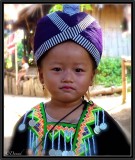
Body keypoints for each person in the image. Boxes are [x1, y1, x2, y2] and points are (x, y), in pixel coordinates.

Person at [8, 4, 130, 156]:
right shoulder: (29, 123)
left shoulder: (103, 124)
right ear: (41, 75)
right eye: (57, 69)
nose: (67, 78)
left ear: (91, 76)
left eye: (78, 70)